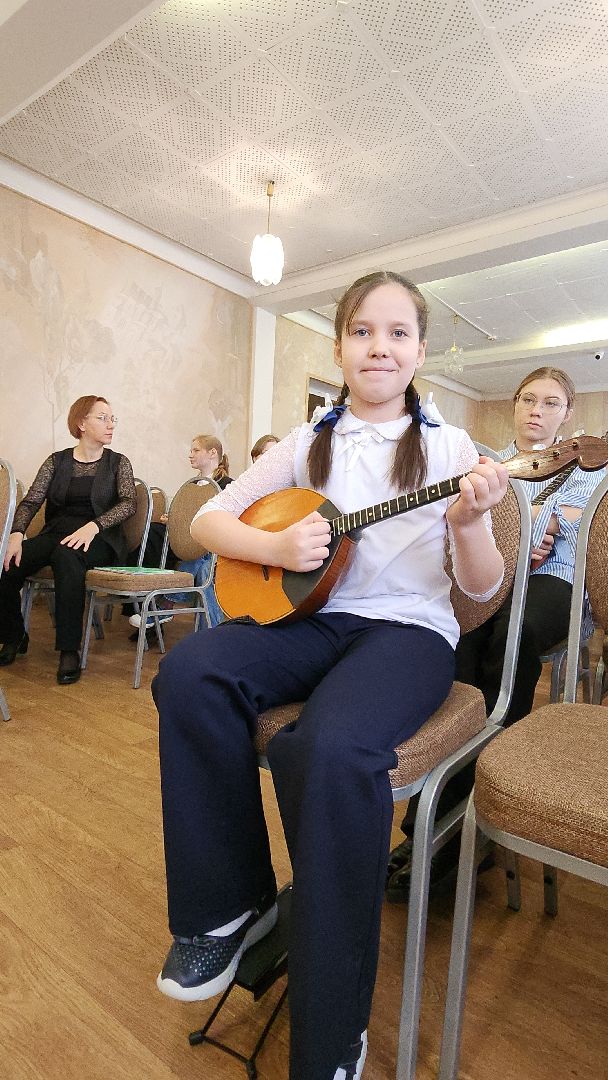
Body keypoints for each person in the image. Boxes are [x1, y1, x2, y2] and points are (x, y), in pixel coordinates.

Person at [151, 271, 508, 1080]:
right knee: (192, 670)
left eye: (398, 333)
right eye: (361, 332)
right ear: (341, 345)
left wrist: (474, 519)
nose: (379, 348)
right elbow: (201, 521)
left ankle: (332, 1031)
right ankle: (230, 905)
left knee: (331, 748)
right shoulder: (302, 442)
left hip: (409, 633)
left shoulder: (452, 450)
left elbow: (481, 592)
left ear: (421, 350)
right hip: (314, 622)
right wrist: (274, 549)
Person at [386, 365, 606, 902]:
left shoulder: (592, 469)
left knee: (516, 631)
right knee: (461, 631)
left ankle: (474, 807)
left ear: (568, 414)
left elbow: (584, 536)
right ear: (513, 406)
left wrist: (543, 531)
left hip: (558, 582)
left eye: (552, 403)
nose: (538, 410)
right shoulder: (490, 464)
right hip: (500, 577)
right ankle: (435, 813)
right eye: (529, 399)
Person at [0, 396, 136, 684]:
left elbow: (128, 504)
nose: (110, 424)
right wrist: (15, 535)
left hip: (99, 539)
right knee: (9, 561)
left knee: (66, 556)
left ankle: (69, 650)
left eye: (113, 418)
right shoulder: (57, 461)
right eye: (102, 417)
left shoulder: (118, 463)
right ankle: (13, 635)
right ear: (81, 423)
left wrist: (94, 525)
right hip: (56, 532)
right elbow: (31, 500)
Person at [128, 434, 233, 633]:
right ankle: (206, 632)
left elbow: (223, 520)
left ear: (212, 453)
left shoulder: (228, 485)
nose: (190, 455)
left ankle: (167, 604)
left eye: (195, 450)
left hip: (216, 547)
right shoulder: (192, 486)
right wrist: (174, 519)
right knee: (183, 553)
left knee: (202, 564)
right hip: (193, 543)